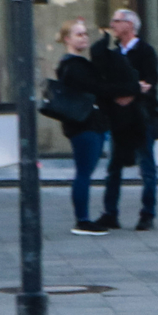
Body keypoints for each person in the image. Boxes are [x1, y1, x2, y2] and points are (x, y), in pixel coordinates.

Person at [91, 8, 158, 231]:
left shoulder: (145, 51)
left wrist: (129, 93)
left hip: (141, 117)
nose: (112, 25)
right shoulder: (113, 53)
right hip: (117, 118)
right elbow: (104, 84)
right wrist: (125, 90)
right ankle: (110, 213)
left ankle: (147, 213)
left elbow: (149, 83)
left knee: (147, 167)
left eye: (117, 21)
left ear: (130, 25)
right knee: (113, 167)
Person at [51, 17, 111, 234]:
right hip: (84, 125)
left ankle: (83, 218)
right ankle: (82, 220)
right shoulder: (73, 66)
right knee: (84, 172)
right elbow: (96, 87)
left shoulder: (73, 65)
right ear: (68, 39)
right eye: (79, 34)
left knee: (85, 171)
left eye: (85, 33)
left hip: (85, 124)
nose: (84, 37)